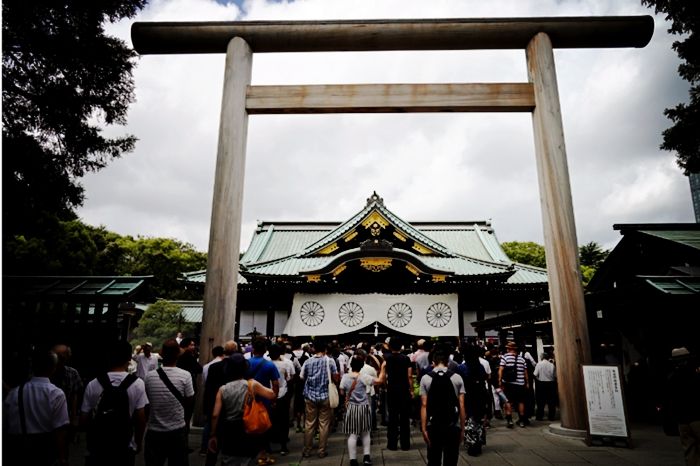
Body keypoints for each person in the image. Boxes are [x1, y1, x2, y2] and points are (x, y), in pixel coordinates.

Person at [81, 340, 148, 466]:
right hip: (124, 446)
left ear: (109, 356)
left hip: (98, 447)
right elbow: (141, 418)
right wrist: (138, 443)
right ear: (129, 358)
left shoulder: (93, 384)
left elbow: (84, 419)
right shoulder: (138, 384)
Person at [4, 348, 70, 466]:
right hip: (44, 450)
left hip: (16, 450)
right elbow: (60, 430)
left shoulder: (14, 393)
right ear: (53, 368)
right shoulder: (56, 394)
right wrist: (62, 458)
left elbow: (5, 422)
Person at [208, 354, 276, 466]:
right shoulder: (252, 384)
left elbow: (215, 414)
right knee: (248, 459)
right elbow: (272, 395)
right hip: (248, 427)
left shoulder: (223, 389)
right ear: (245, 368)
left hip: (229, 430)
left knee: (229, 459)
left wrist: (213, 434)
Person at [144, 339, 194, 466]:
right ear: (178, 354)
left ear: (161, 353)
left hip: (154, 430)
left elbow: (147, 404)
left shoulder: (149, 377)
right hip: (177, 430)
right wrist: (187, 422)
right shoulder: (186, 376)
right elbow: (189, 402)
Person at [420, 346, 466, 466]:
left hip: (433, 424)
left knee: (433, 459)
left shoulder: (425, 378)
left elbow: (424, 405)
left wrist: (424, 428)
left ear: (433, 362)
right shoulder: (457, 378)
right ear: (447, 362)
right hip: (452, 424)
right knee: (451, 459)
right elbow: (461, 405)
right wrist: (462, 428)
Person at [341, 356, 386, 466]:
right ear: (362, 366)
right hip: (364, 407)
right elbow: (380, 381)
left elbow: (342, 391)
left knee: (353, 434)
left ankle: (353, 460)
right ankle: (366, 457)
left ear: (351, 365)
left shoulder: (345, 377)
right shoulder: (364, 377)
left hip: (351, 408)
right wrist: (383, 368)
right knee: (365, 433)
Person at [300, 338, 338, 459]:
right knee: (324, 424)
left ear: (314, 349)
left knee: (309, 423)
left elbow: (301, 377)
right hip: (325, 395)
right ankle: (321, 450)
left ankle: (307, 450)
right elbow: (336, 377)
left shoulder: (308, 362)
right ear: (325, 349)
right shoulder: (330, 361)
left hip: (310, 396)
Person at [202, 340, 238, 463]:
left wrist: (207, 407)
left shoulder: (213, 367)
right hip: (233, 409)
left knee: (213, 444)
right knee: (230, 446)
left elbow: (208, 388)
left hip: (215, 406)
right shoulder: (238, 367)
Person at [664, 347, 700, 466]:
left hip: (682, 421)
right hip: (696, 417)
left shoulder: (671, 378)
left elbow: (669, 401)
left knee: (689, 450)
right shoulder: (694, 376)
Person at [382, 336, 413, 451]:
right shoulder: (406, 359)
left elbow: (384, 376)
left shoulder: (387, 359)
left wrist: (386, 386)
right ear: (401, 347)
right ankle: (405, 444)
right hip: (404, 390)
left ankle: (392, 444)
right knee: (405, 417)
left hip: (392, 390)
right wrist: (411, 390)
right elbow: (409, 376)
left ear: (390, 347)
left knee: (393, 417)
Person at [50, 343, 83, 442]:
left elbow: (74, 397)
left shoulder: (72, 373)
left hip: (63, 418)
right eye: (57, 355)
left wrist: (73, 419)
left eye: (62, 355)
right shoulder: (44, 372)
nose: (60, 358)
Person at [269, 343, 294, 456]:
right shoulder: (286, 364)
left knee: (270, 420)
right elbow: (290, 378)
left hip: (268, 394)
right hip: (283, 394)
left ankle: (268, 446)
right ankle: (283, 446)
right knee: (284, 421)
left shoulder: (267, 364)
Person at [498, 341, 529, 428]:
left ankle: (510, 421)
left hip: (509, 384)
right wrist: (527, 382)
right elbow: (525, 372)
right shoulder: (522, 359)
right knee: (521, 402)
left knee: (508, 402)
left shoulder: (505, 357)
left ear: (508, 349)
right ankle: (522, 421)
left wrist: (500, 381)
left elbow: (500, 370)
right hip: (520, 384)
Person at [533, 352, 557, 421]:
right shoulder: (552, 365)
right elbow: (555, 376)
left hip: (542, 384)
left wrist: (538, 380)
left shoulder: (539, 364)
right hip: (551, 384)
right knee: (551, 402)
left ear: (542, 357)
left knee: (541, 402)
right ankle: (551, 417)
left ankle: (539, 416)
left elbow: (535, 374)